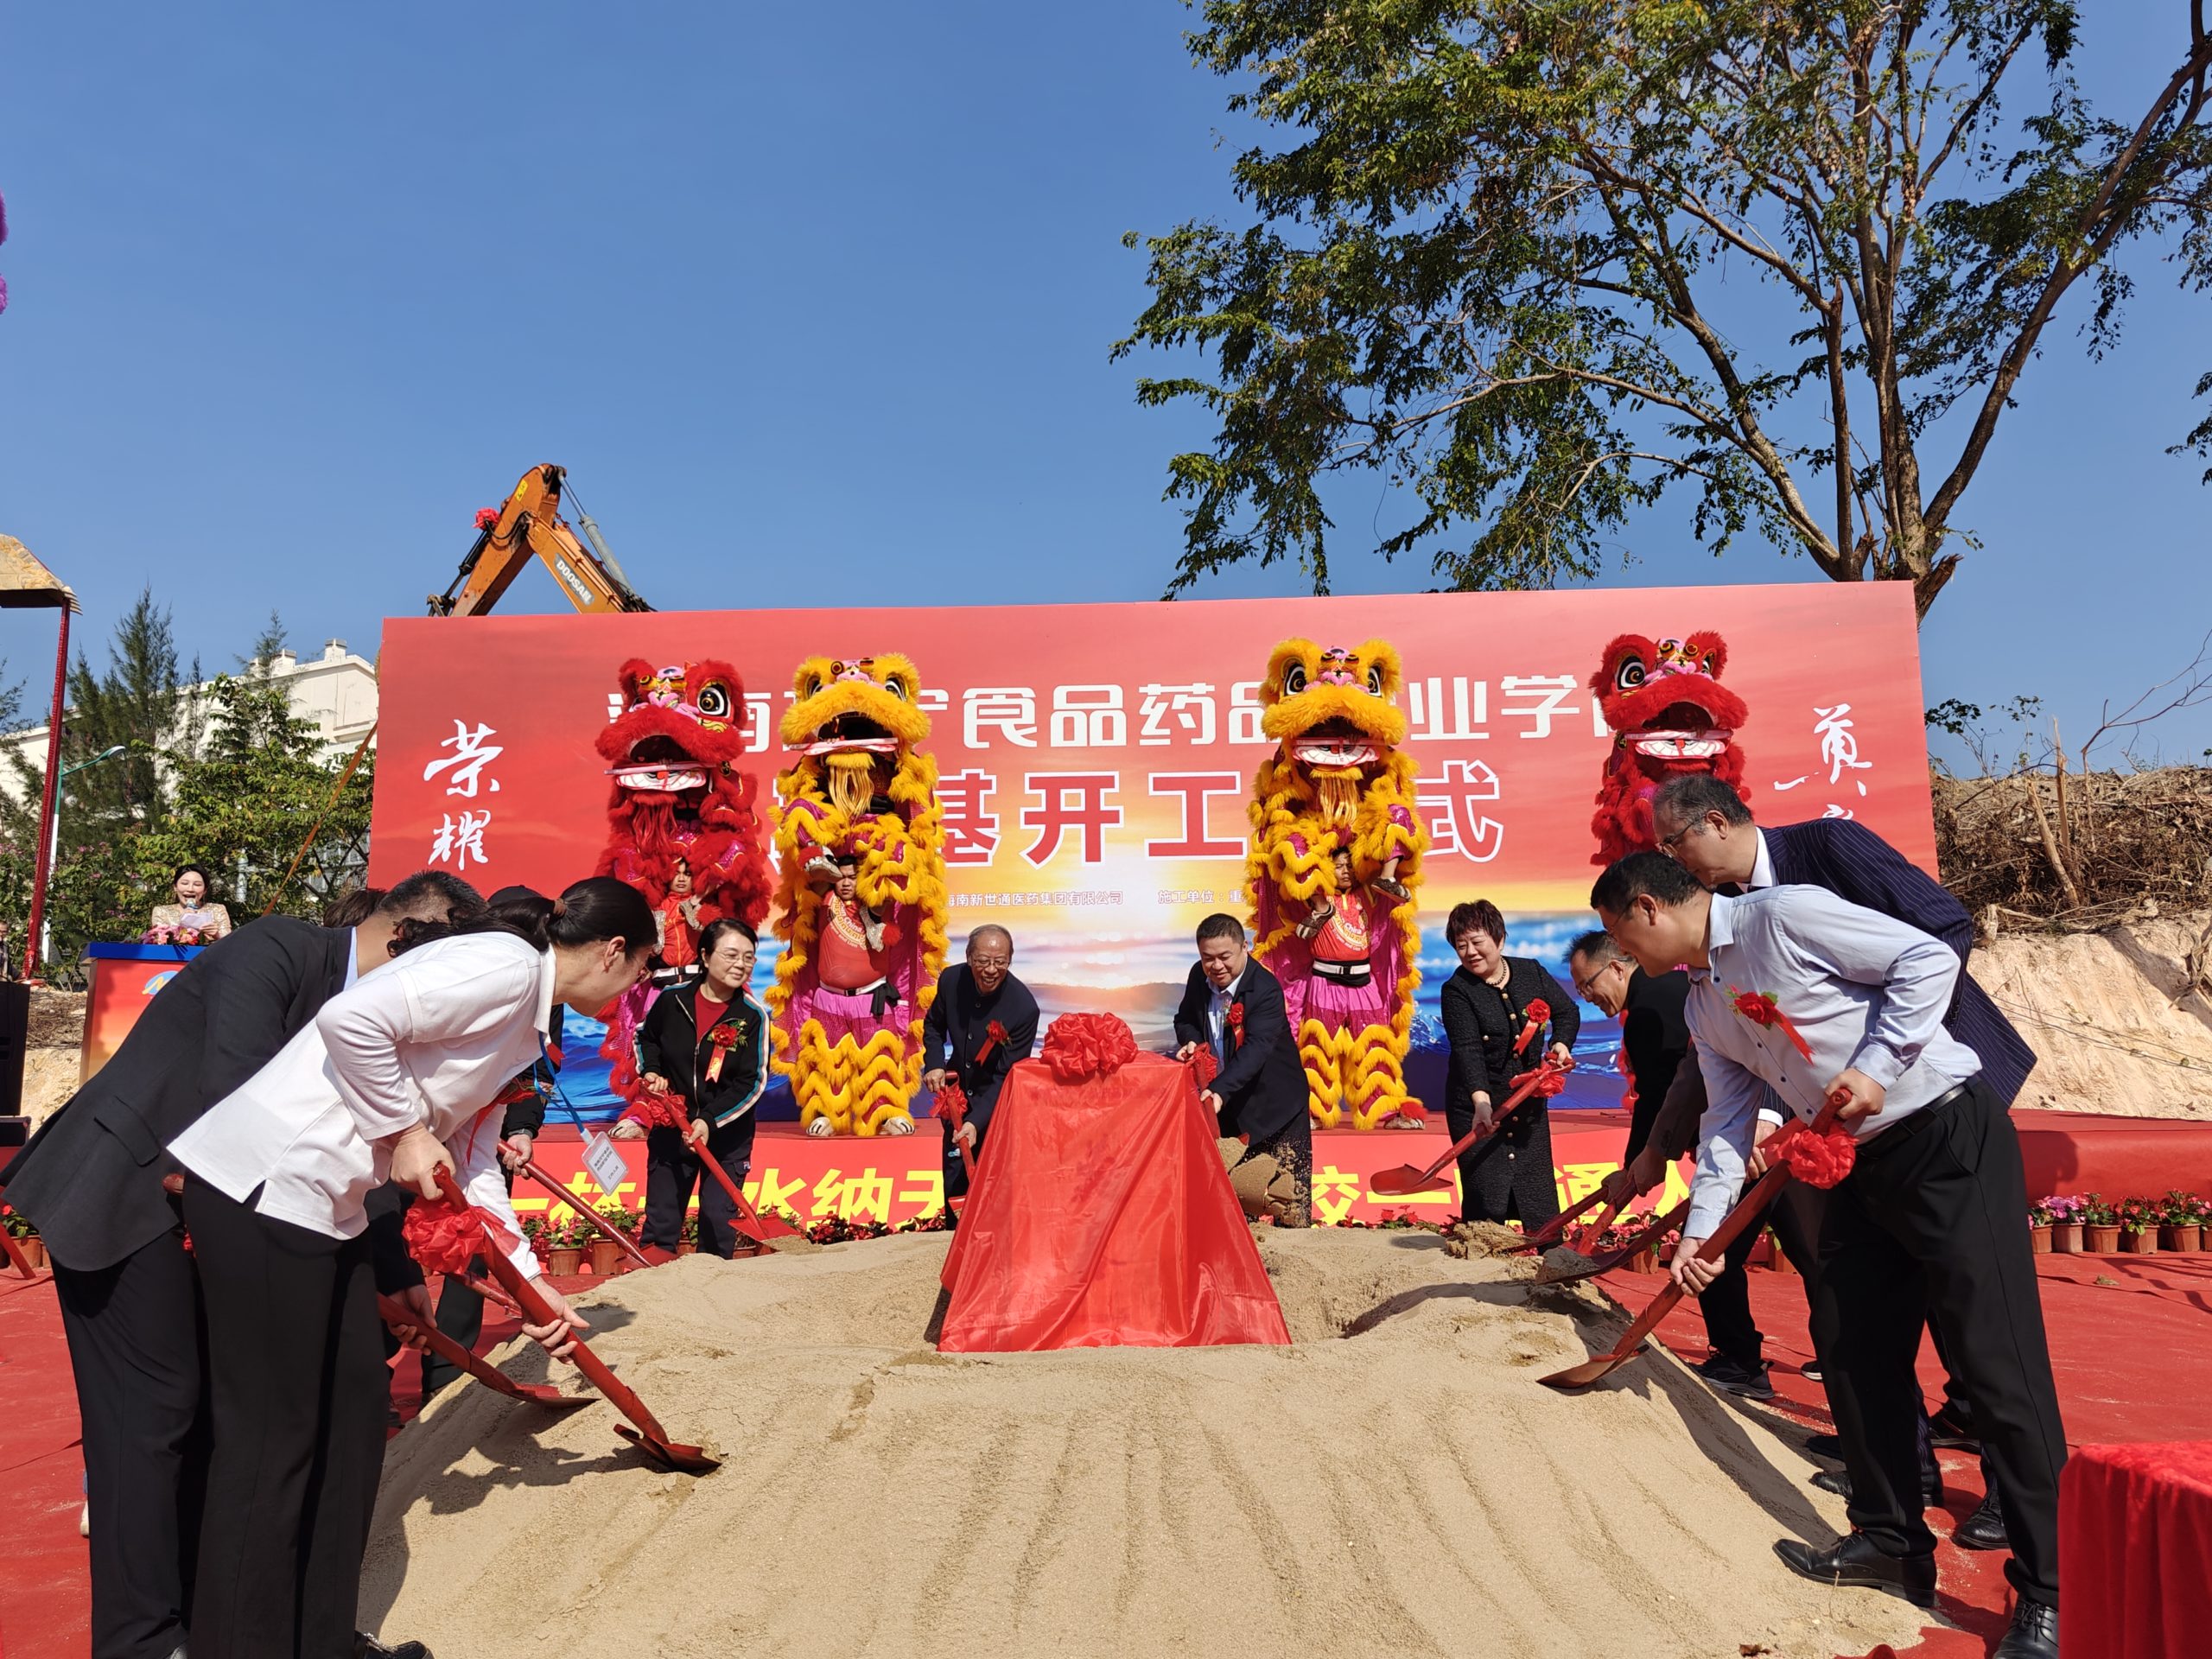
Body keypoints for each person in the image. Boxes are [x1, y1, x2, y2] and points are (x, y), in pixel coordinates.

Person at [166, 878, 652, 1659]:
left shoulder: (528, 1024)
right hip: (268, 1188)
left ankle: (321, 1639)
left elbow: (475, 1167)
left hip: (330, 1209)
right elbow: (350, 1018)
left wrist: (535, 1290)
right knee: (275, 1441)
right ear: (612, 950)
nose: (636, 992)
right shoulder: (501, 965)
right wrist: (402, 1129)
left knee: (354, 1417)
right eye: (642, 973)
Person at [0, 871, 482, 1659]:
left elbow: (363, 1148)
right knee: (152, 1421)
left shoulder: (374, 1021)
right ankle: (143, 1643)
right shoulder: (279, 950)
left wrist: (394, 1270)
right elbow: (236, 1100)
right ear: (406, 943)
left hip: (212, 1217)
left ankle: (212, 1621)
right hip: (124, 1199)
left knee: (219, 1421)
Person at [1593, 853, 2064, 1659]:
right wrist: (1704, 1238)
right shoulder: (1707, 1004)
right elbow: (1724, 1128)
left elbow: (1930, 958)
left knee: (1994, 1364)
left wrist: (1877, 1068)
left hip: (1944, 1138)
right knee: (1852, 1349)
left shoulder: (1785, 915)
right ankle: (1890, 1540)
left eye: (1619, 939)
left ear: (1647, 909)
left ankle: (2050, 1590)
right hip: (1851, 1165)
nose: (1622, 957)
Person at [1641, 773, 2020, 1540]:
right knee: (1855, 1310)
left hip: (1928, 1104)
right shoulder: (1717, 943)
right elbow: (1723, 1057)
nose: (1671, 861)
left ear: (1714, 824)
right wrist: (1659, 1148)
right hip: (1825, 1132)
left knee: (1966, 1310)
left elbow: (1941, 934)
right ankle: (1898, 1473)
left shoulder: (1825, 850)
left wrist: (1880, 1064)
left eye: (1671, 844)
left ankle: (2010, 1495)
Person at [625, 918, 771, 1258]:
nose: (741, 965)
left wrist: (708, 1120)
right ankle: (653, 1297)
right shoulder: (671, 1001)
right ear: (705, 957)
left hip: (725, 1137)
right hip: (672, 1126)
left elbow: (751, 1083)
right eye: (732, 955)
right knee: (661, 1223)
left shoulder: (752, 1016)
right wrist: (652, 1071)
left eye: (749, 957)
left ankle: (713, 1302)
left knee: (718, 1225)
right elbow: (645, 1037)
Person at [1438, 899, 1578, 1228]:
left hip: (1528, 1102)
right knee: (1486, 1193)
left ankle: (1549, 1259)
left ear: (1499, 939)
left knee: (1538, 1193)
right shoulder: (1456, 991)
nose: (1470, 952)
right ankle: (1481, 1263)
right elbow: (1468, 1050)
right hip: (1477, 1107)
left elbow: (1567, 1012)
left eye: (1477, 942)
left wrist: (1560, 1043)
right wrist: (1481, 1104)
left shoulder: (1531, 972)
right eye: (1461, 946)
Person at [1173, 913, 1312, 1225]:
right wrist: (1194, 1043)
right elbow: (1184, 1020)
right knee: (1237, 1206)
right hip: (1230, 1107)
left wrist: (1220, 1090)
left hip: (1277, 1106)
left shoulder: (1265, 989)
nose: (1216, 967)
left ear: (1244, 947)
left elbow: (1257, 1048)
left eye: (1225, 957)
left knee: (1291, 1202)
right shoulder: (1199, 976)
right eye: (1208, 958)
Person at [922, 925, 1040, 1199]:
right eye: (983, 961)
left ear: (1009, 961)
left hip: (996, 1105)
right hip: (955, 1096)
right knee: (954, 1172)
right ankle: (951, 1234)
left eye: (1000, 962)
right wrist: (936, 1064)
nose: (991, 970)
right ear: (969, 957)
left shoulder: (1023, 1008)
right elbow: (933, 1026)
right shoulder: (951, 980)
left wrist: (975, 1122)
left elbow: (1004, 1077)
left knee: (993, 1180)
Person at [798, 854, 913, 1135]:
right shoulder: (825, 898)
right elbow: (809, 866)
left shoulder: (880, 902)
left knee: (879, 1060)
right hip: (828, 998)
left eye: (853, 877)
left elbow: (899, 874)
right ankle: (827, 1115)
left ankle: (886, 1115)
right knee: (828, 1060)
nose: (846, 883)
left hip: (870, 996)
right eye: (842, 876)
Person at [149, 863, 232, 942]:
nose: (190, 889)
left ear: (205, 890)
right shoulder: (161, 911)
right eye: (185, 883)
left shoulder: (217, 909)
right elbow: (159, 941)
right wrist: (182, 922)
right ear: (175, 887)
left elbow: (231, 943)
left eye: (197, 885)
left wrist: (217, 935)